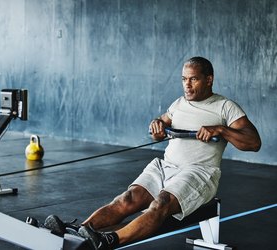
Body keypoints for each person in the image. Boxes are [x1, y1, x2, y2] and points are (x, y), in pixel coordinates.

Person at [44, 56, 261, 249]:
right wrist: (156, 125)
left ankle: (109, 241)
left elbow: (253, 143)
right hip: (165, 167)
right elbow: (159, 127)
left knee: (161, 203)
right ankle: (77, 232)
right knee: (127, 199)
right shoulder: (178, 103)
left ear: (209, 79)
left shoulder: (225, 107)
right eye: (184, 79)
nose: (187, 84)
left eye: (193, 79)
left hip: (198, 172)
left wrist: (221, 129)